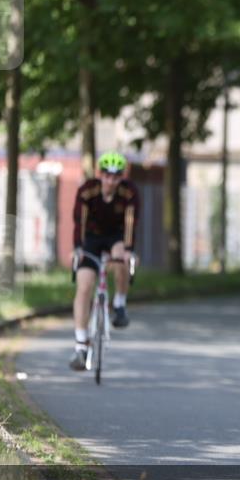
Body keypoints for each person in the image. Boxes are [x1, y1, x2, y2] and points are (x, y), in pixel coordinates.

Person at [68, 152, 139, 371]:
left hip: (116, 236)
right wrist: (78, 248)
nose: (111, 181)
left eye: (116, 177)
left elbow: (131, 222)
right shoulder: (87, 190)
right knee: (84, 286)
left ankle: (119, 304)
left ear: (121, 178)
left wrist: (129, 250)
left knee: (121, 258)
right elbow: (79, 221)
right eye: (107, 176)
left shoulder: (129, 192)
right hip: (91, 238)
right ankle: (81, 345)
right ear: (101, 175)